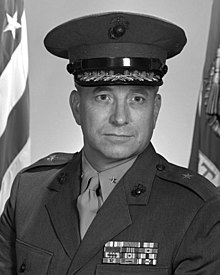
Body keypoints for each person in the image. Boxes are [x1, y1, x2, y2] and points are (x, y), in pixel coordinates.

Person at [0, 11, 220, 275]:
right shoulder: (29, 191)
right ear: (77, 107)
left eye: (137, 99)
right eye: (103, 97)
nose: (119, 117)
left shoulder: (197, 210)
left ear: (155, 109)